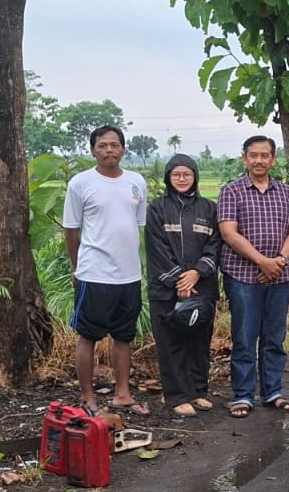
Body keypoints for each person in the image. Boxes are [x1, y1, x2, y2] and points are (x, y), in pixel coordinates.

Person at [62, 125, 149, 416]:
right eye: (102, 146)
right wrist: (78, 269)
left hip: (129, 275)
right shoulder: (81, 183)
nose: (109, 150)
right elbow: (71, 230)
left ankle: (122, 394)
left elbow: (137, 225)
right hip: (94, 274)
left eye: (114, 145)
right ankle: (87, 397)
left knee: (124, 336)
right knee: (88, 335)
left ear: (123, 149)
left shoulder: (136, 182)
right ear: (93, 150)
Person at [217, 134, 289, 417]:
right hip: (243, 276)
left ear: (273, 159)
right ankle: (243, 395)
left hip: (278, 277)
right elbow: (229, 233)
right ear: (244, 158)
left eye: (264, 155)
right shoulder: (232, 191)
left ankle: (273, 392)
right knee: (244, 337)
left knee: (274, 337)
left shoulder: (284, 192)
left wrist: (278, 261)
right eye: (253, 155)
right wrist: (262, 262)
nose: (258, 160)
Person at [145, 154, 222, 417]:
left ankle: (198, 391)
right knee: (170, 343)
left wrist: (196, 274)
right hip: (166, 288)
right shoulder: (157, 208)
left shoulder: (208, 209)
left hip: (201, 287)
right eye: (176, 174)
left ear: (195, 177)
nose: (181, 179)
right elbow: (157, 248)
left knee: (199, 341)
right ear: (168, 177)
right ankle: (177, 396)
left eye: (186, 174)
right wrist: (180, 278)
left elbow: (215, 246)